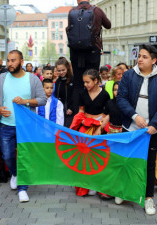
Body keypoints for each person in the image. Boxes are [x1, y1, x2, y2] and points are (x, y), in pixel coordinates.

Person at [117, 44, 157, 215]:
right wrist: (135, 116)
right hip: (130, 127)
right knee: (126, 161)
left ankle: (149, 198)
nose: (140, 59)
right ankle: (123, 191)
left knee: (148, 164)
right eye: (139, 56)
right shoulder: (128, 75)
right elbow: (121, 98)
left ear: (153, 60)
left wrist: (154, 124)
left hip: (150, 131)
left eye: (144, 56)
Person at [0, 50, 47, 203]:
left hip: (26, 127)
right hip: (5, 126)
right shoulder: (2, 78)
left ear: (21, 62)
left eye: (13, 60)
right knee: (7, 156)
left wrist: (26, 101)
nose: (9, 63)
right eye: (8, 60)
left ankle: (23, 189)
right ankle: (15, 174)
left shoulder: (32, 79)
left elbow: (42, 100)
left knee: (24, 158)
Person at [70, 69, 110, 198]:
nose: (85, 85)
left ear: (96, 81)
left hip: (100, 126)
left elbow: (106, 113)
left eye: (88, 82)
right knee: (83, 157)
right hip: (85, 125)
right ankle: (85, 186)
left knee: (98, 158)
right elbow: (81, 110)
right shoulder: (82, 93)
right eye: (84, 82)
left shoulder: (105, 95)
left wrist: (100, 128)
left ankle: (99, 186)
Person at [68, 0, 111, 114]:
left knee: (78, 83)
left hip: (76, 52)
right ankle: (92, 111)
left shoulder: (72, 12)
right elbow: (108, 25)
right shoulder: (96, 10)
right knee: (92, 81)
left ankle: (77, 113)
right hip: (93, 51)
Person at [54, 57, 74, 127]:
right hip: (60, 111)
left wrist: (72, 108)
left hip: (71, 111)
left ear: (67, 68)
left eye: (63, 70)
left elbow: (76, 96)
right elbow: (56, 96)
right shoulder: (57, 82)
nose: (61, 72)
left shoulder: (73, 80)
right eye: (59, 71)